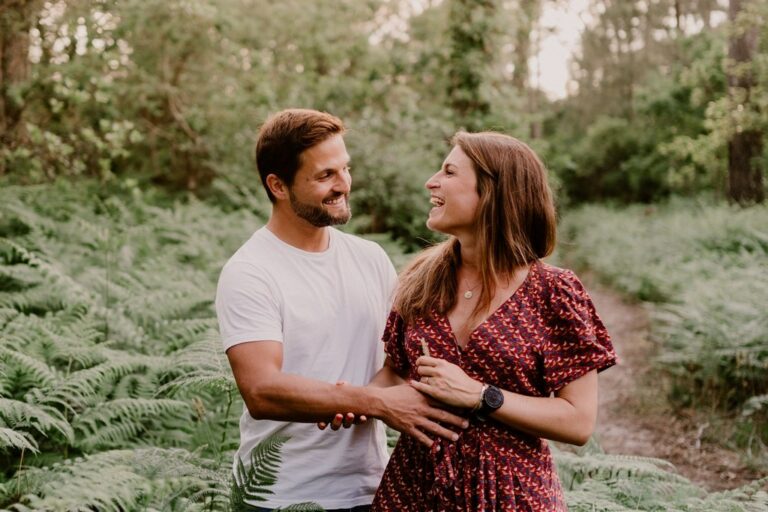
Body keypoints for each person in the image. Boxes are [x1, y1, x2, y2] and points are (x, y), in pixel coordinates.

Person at [215, 109, 467, 512]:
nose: (343, 184)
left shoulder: (370, 258)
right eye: (324, 176)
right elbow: (261, 389)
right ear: (278, 185)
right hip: (279, 494)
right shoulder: (251, 271)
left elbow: (396, 360)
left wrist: (357, 399)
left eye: (345, 169)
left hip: (370, 488)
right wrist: (372, 402)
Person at [365, 131, 617, 511]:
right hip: (414, 490)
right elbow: (394, 373)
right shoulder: (421, 279)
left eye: (449, 172)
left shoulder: (554, 292)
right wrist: (355, 402)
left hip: (510, 493)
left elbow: (578, 421)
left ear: (494, 193)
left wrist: (482, 395)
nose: (431, 181)